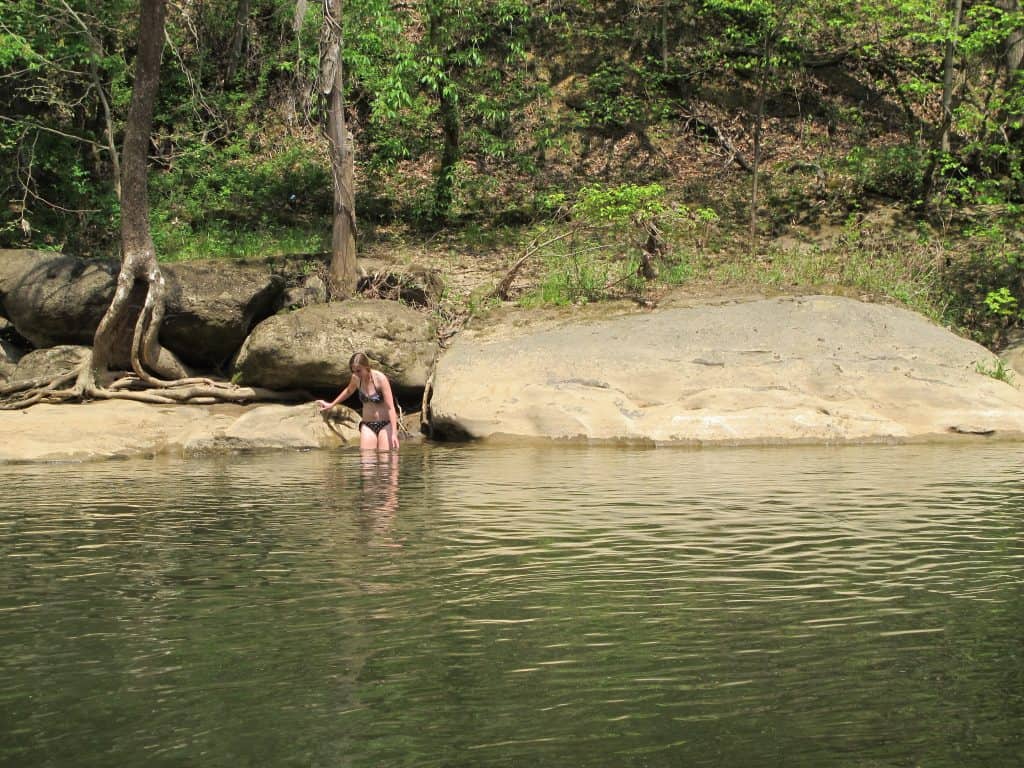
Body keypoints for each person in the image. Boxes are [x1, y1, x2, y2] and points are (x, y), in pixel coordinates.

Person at [317, 352, 400, 451]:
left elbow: (390, 408)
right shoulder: (356, 378)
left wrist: (394, 434)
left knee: (385, 459)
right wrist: (331, 404)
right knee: (366, 461)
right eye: (353, 371)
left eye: (359, 371)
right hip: (368, 425)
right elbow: (348, 391)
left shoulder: (380, 379)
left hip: (385, 424)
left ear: (367, 367)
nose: (356, 374)